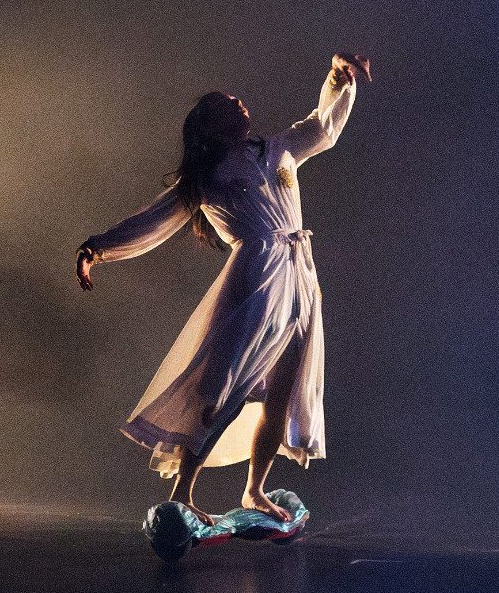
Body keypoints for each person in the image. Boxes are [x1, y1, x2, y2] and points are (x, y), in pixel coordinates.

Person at [76, 52, 370, 521]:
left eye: (235, 99)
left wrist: (338, 78)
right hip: (255, 277)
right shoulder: (205, 179)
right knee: (224, 386)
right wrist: (98, 247)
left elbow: (323, 127)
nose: (238, 102)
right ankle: (183, 491)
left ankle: (254, 489)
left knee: (281, 391)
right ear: (210, 126)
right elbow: (153, 220)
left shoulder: (275, 150)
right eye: (225, 103)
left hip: (296, 276)